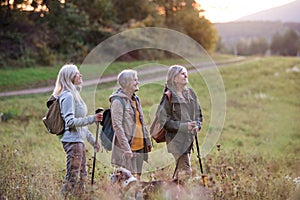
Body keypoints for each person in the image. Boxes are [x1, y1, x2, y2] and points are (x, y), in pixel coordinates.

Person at [52, 64, 103, 196]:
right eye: (77, 74)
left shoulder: (75, 94)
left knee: (82, 176)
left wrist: (92, 141)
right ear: (69, 77)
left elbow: (82, 126)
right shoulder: (68, 96)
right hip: (73, 142)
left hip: (78, 141)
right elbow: (70, 122)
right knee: (72, 178)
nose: (80, 75)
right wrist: (93, 118)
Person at [158, 65, 203, 181]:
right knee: (185, 171)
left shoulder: (191, 93)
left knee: (180, 171)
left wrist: (197, 125)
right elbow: (163, 120)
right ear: (174, 78)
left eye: (186, 73)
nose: (186, 75)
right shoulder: (168, 96)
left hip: (189, 139)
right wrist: (184, 126)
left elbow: (198, 114)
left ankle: (171, 193)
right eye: (182, 73)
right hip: (176, 141)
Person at [110, 69, 152, 179]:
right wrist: (126, 148)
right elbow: (117, 126)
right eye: (135, 80)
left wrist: (147, 141)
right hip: (128, 149)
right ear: (126, 83)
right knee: (127, 182)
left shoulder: (136, 99)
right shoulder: (118, 101)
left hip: (140, 147)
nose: (138, 82)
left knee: (137, 179)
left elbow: (141, 121)